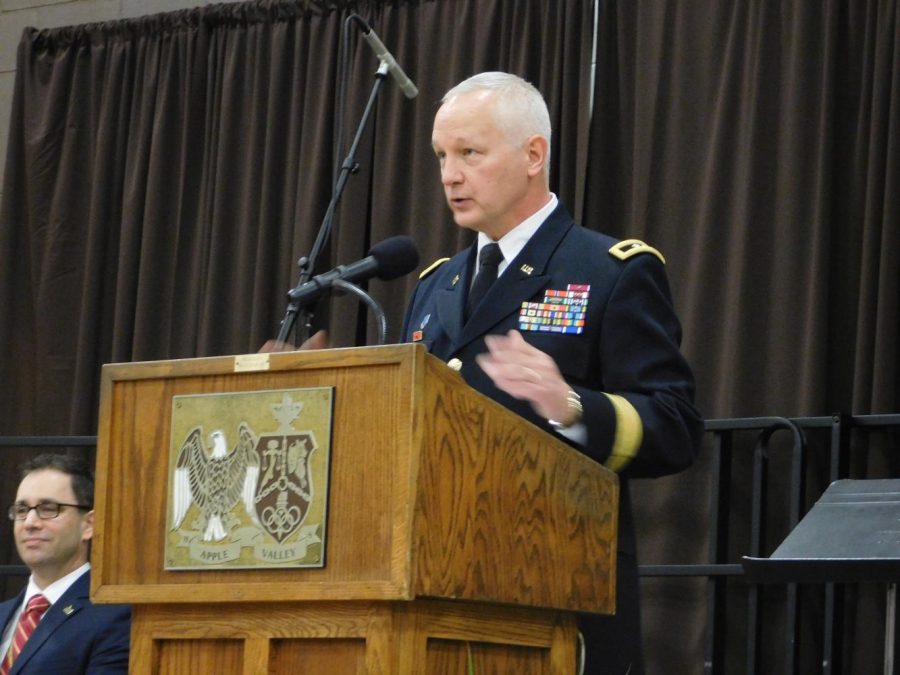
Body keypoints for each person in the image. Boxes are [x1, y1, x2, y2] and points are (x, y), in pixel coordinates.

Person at [400, 72, 704, 675]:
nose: (450, 175)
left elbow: (676, 425)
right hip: (437, 585)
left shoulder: (608, 270)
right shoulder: (436, 285)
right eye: (441, 156)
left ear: (533, 154)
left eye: (469, 153)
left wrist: (573, 406)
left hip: (559, 590)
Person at [0, 454, 130, 674]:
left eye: (48, 509)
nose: (30, 523)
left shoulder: (115, 615)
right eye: (22, 510)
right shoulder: (3, 613)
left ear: (89, 525)